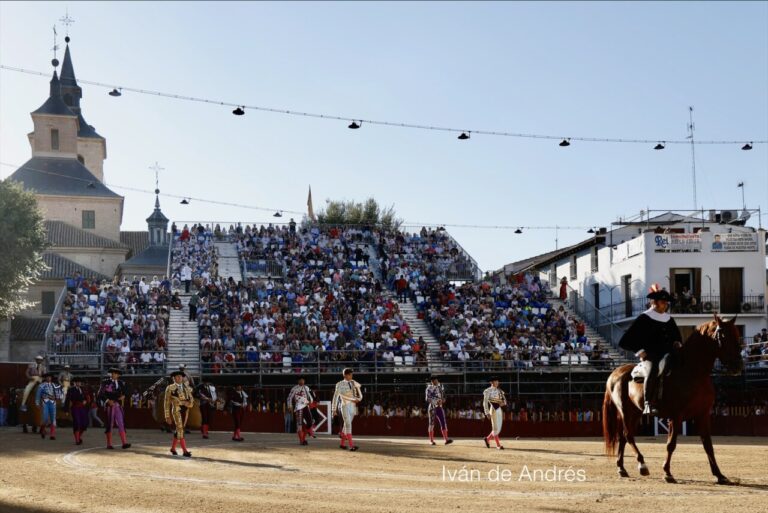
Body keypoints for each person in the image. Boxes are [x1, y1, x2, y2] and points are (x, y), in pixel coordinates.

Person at [619, 284, 682, 415]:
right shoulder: (644, 318)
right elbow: (626, 339)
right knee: (653, 369)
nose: (666, 304)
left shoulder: (669, 319)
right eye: (663, 302)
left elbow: (677, 336)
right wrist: (639, 351)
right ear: (655, 302)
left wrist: (678, 342)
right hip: (651, 354)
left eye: (666, 302)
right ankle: (648, 403)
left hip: (669, 353)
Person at [97, 367, 132, 449]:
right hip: (109, 406)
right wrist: (107, 401)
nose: (113, 375)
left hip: (117, 405)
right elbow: (100, 394)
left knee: (121, 423)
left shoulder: (121, 383)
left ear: (118, 375)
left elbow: (128, 391)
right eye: (112, 373)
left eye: (115, 373)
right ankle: (109, 444)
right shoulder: (105, 382)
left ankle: (124, 443)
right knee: (110, 424)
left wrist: (124, 395)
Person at [164, 370, 194, 457]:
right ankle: (185, 451)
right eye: (177, 376)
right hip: (177, 410)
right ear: (174, 378)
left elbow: (191, 399)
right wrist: (167, 416)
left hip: (186, 411)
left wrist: (189, 404)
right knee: (180, 429)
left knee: (179, 429)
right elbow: (166, 403)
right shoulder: (170, 388)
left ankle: (173, 448)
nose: (179, 377)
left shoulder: (186, 387)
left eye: (181, 376)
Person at [331, 368, 362, 451]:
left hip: (352, 406)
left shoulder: (353, 383)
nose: (351, 376)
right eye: (350, 374)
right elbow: (335, 397)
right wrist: (333, 410)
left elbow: (357, 395)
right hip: (344, 406)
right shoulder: (339, 384)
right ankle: (352, 446)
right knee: (348, 424)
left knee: (346, 425)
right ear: (345, 375)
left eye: (351, 374)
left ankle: (342, 444)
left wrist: (357, 399)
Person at [287, 376, 316, 446]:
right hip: (299, 407)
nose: (302, 381)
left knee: (310, 421)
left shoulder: (306, 388)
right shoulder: (294, 388)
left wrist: (311, 401)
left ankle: (304, 437)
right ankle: (302, 440)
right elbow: (289, 398)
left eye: (303, 380)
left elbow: (310, 396)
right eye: (300, 380)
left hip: (306, 406)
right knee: (299, 424)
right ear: (298, 381)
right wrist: (290, 406)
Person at [425, 375, 453, 445]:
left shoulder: (440, 387)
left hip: (439, 407)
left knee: (443, 423)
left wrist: (443, 400)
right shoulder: (429, 388)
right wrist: (436, 401)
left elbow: (444, 397)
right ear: (432, 381)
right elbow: (427, 399)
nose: (437, 381)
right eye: (435, 380)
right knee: (431, 424)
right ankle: (431, 441)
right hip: (432, 408)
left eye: (437, 380)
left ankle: (446, 440)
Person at [482, 376, 507, 450]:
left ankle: (487, 439)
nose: (497, 382)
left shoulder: (499, 391)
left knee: (498, 428)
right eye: (495, 381)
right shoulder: (487, 391)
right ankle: (498, 445)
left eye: (497, 381)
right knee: (495, 428)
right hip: (493, 410)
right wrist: (486, 412)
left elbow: (504, 401)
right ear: (491, 382)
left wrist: (503, 403)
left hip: (499, 410)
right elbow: (485, 402)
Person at [63, 376, 89, 445]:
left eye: (79, 382)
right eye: (77, 382)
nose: (78, 383)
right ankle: (77, 440)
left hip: (83, 408)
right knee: (77, 423)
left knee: (84, 424)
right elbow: (67, 400)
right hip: (75, 408)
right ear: (74, 383)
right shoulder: (71, 389)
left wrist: (86, 401)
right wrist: (66, 410)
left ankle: (78, 437)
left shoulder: (83, 389)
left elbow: (87, 398)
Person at [35, 372, 60, 440]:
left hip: (52, 402)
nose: (49, 378)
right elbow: (38, 395)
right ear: (45, 378)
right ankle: (42, 429)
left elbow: (58, 394)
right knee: (45, 418)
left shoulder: (55, 385)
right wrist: (37, 403)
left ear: (51, 378)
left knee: (53, 418)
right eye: (47, 377)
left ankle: (52, 434)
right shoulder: (41, 385)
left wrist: (55, 397)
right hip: (45, 402)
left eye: (50, 377)